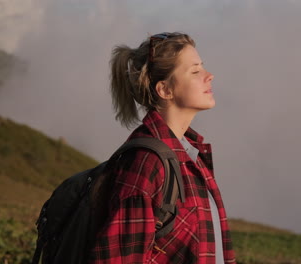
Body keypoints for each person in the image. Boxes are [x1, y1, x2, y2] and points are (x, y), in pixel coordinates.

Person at [89, 32, 237, 264]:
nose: (209, 76)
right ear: (165, 90)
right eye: (195, 71)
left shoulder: (192, 155)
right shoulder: (146, 163)